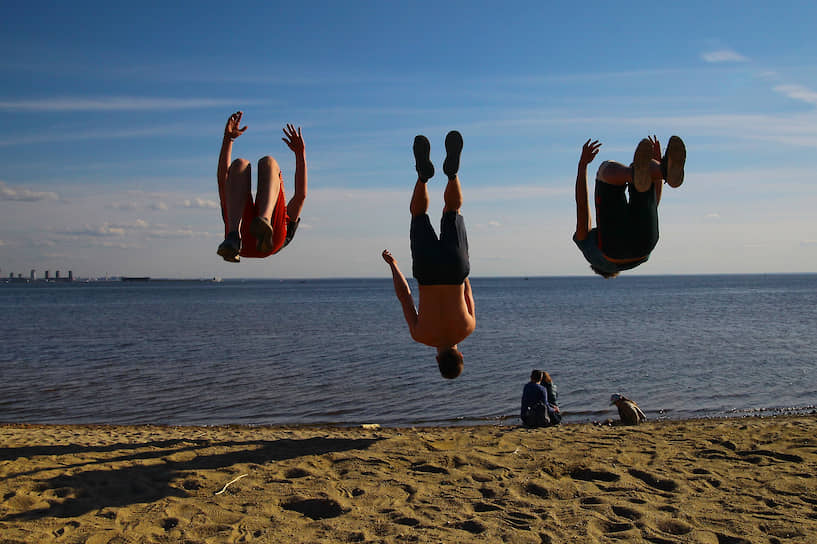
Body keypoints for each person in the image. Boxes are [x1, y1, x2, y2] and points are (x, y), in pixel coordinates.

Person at [381, 130, 475, 379]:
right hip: (426, 273)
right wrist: (393, 265)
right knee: (418, 215)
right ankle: (422, 178)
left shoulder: (468, 328)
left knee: (451, 210)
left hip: (455, 271)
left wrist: (462, 267)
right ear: (437, 359)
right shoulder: (420, 335)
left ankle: (452, 175)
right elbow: (405, 296)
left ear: (461, 355)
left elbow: (467, 291)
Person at [573, 135, 686, 278]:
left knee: (645, 179)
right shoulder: (589, 252)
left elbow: (653, 203)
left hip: (646, 247)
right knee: (605, 170)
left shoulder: (603, 254)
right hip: (613, 250)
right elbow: (582, 208)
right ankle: (649, 172)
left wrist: (655, 166)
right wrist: (583, 164)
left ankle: (661, 171)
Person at [216, 111, 307, 262]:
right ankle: (265, 221)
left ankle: (233, 235)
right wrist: (300, 155)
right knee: (269, 163)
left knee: (239, 164)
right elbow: (300, 196)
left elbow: (223, 180)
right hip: (273, 241)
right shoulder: (284, 221)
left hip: (241, 239)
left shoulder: (233, 209)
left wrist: (228, 140)